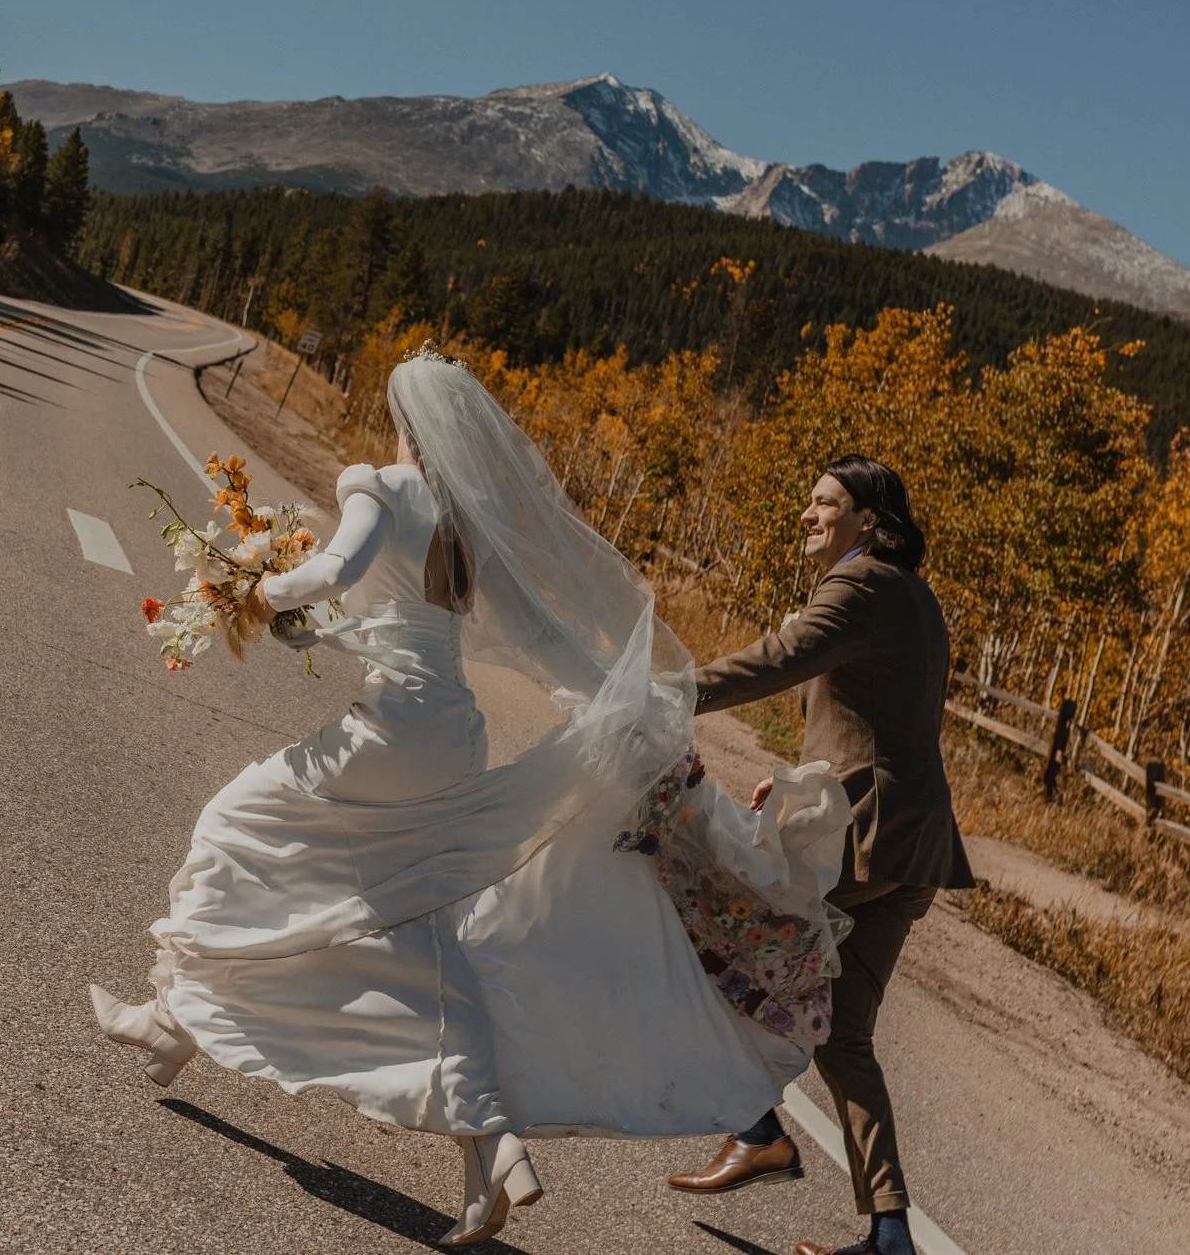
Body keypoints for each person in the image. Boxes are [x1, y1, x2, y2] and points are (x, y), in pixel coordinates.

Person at [89, 351, 856, 1245]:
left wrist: (257, 591)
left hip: (391, 731)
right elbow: (485, 631)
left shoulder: (376, 482)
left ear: (403, 420)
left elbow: (334, 573)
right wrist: (636, 701)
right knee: (413, 926)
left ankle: (172, 1021)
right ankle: (485, 1146)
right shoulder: (468, 526)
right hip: (453, 734)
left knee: (233, 828)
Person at [672, 455, 973, 1255]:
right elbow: (877, 728)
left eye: (824, 503)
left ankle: (757, 1126)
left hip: (868, 845)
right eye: (807, 502)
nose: (806, 514)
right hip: (913, 847)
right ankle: (890, 1236)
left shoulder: (861, 583)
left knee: (723, 936)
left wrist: (669, 690)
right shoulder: (913, 596)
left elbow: (779, 658)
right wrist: (802, 782)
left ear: (868, 520)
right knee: (842, 1035)